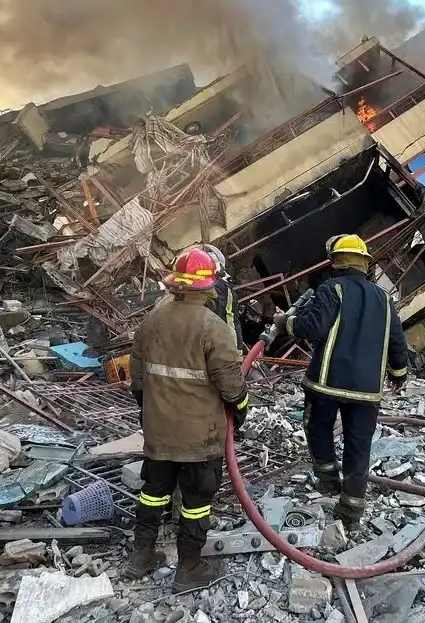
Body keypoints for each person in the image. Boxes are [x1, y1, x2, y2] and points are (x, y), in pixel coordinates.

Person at [126, 247, 249, 591]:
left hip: (159, 432)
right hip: (199, 437)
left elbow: (137, 378)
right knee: (196, 502)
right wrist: (241, 410)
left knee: (153, 493)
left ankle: (140, 558)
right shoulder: (213, 327)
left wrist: (151, 409)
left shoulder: (152, 321)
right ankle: (188, 569)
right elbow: (231, 384)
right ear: (209, 286)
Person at [274, 234, 408, 528]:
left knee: (318, 428)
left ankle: (328, 480)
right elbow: (397, 341)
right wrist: (399, 373)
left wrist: (286, 322)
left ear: (335, 261)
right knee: (359, 446)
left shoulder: (331, 288)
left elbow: (312, 327)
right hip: (367, 392)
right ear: (364, 263)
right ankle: (351, 512)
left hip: (327, 384)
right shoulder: (384, 298)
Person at [201, 244, 244, 350]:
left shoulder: (217, 286)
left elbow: (215, 313)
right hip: (228, 343)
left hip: (225, 345)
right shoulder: (221, 286)